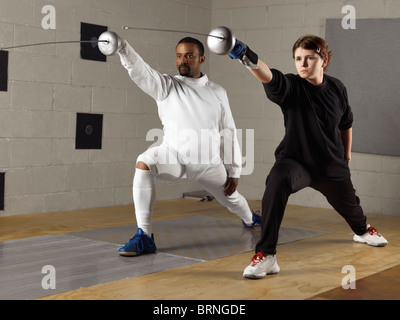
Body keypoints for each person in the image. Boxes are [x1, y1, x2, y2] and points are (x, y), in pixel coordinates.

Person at [227, 35, 388, 279]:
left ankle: (363, 231)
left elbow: (346, 123)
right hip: (296, 162)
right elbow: (268, 75)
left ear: (324, 60)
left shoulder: (337, 88)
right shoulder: (292, 86)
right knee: (276, 182)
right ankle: (267, 255)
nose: (302, 63)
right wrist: (244, 55)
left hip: (330, 165)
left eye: (309, 58)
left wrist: (346, 155)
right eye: (298, 59)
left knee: (352, 210)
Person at [111, 34, 260, 256]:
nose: (183, 60)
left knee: (233, 201)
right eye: (179, 56)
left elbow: (228, 132)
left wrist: (234, 170)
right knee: (144, 162)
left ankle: (251, 219)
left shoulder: (217, 92)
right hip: (175, 158)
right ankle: (144, 236)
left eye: (189, 55)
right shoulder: (166, 86)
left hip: (209, 164)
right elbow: (141, 71)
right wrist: (123, 48)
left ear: (202, 59)